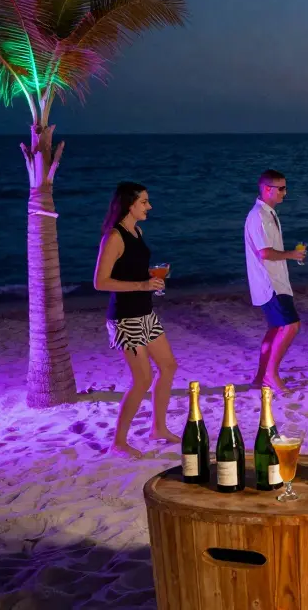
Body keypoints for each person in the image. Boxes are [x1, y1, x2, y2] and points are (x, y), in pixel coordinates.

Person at [93, 182, 180, 458]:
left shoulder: (137, 232)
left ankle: (158, 428)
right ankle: (118, 442)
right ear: (129, 204)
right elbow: (100, 282)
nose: (149, 206)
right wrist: (142, 285)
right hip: (125, 317)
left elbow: (132, 270)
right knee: (142, 379)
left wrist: (151, 278)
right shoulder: (114, 237)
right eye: (144, 202)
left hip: (145, 312)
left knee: (168, 366)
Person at [244, 170, 306, 394]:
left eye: (285, 188)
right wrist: (291, 255)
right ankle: (271, 374)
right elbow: (265, 253)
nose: (284, 193)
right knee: (291, 326)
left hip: (276, 281)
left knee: (276, 329)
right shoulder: (259, 216)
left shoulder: (268, 214)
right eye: (281, 189)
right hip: (270, 284)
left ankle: (261, 377)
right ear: (267, 189)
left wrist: (289, 256)